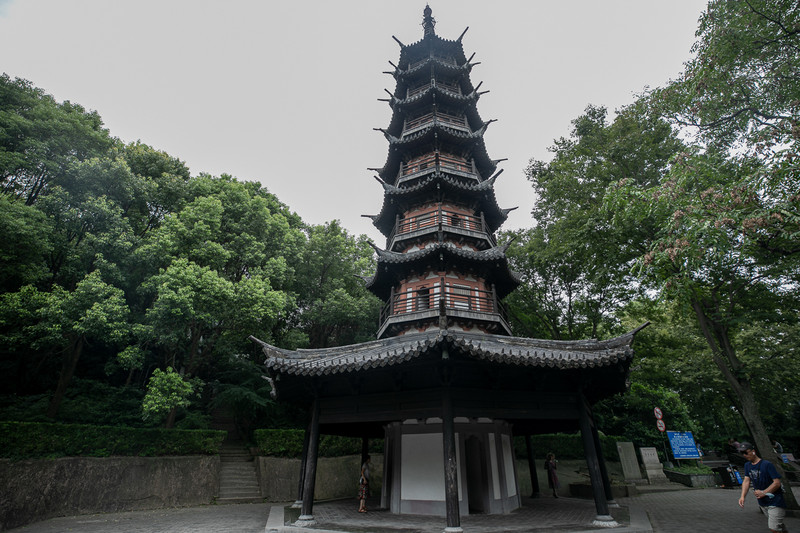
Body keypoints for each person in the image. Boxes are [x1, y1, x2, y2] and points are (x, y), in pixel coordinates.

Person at [738, 442, 788, 533]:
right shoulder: (747, 465)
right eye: (742, 453)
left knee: (774, 528)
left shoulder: (767, 464)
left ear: (753, 451)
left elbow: (777, 483)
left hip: (775, 501)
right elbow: (746, 480)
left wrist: (764, 492)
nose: (744, 455)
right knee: (778, 526)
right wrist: (742, 496)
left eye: (746, 452)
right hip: (763, 503)